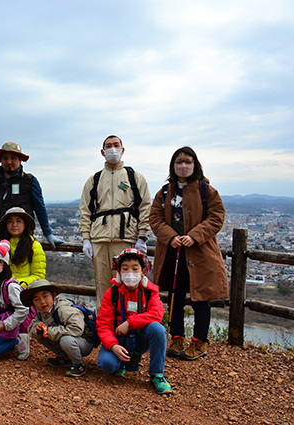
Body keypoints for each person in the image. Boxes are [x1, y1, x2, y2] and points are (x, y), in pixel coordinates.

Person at [149, 146, 228, 361]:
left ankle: (199, 342)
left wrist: (194, 235)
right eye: (179, 162)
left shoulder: (206, 191)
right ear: (173, 166)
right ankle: (176, 337)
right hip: (173, 252)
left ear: (195, 165)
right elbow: (155, 218)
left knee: (200, 298)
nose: (183, 166)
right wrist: (171, 236)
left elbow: (216, 217)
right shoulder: (165, 192)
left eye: (188, 162)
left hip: (199, 252)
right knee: (175, 296)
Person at [79, 135, 152, 310]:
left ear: (123, 149)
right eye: (109, 146)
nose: (113, 149)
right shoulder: (94, 180)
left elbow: (145, 207)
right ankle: (103, 329)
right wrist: (86, 239)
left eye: (116, 145)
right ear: (102, 152)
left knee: (126, 284)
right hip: (99, 240)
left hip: (126, 238)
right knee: (102, 286)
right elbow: (85, 211)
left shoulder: (134, 177)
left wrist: (142, 236)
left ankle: (127, 327)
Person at [96, 248, 172, 395]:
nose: (130, 273)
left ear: (143, 271)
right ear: (119, 272)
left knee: (157, 329)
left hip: (140, 337)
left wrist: (130, 323)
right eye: (125, 269)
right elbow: (103, 325)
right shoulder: (111, 294)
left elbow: (156, 314)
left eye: (134, 268)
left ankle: (157, 374)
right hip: (118, 339)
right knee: (106, 364)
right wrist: (113, 346)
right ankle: (120, 362)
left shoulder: (150, 292)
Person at [0, 206, 44, 358]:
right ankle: (0, 336)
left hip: (20, 298)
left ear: (25, 224)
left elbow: (38, 275)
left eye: (19, 221)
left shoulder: (33, 246)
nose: (14, 225)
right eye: (10, 221)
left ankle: (12, 337)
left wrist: (15, 285)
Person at [0, 142, 64, 248]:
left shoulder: (30, 181)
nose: (9, 162)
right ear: (1, 160)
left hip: (24, 239)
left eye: (13, 158)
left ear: (20, 160)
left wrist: (48, 233)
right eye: (5, 158)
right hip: (0, 237)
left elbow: (40, 208)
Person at [21, 279, 94, 377]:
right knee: (41, 335)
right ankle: (66, 358)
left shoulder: (63, 309)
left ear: (54, 295)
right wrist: (38, 328)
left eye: (45, 296)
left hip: (84, 341)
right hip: (72, 339)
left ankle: (79, 364)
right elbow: (31, 330)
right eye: (36, 299)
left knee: (66, 340)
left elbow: (77, 329)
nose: (42, 302)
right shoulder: (41, 314)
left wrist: (50, 331)